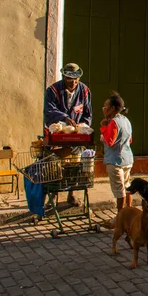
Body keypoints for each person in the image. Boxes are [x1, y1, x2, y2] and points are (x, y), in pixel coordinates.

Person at [44, 62, 92, 206]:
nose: (73, 82)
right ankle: (53, 196)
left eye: (76, 79)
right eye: (70, 79)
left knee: (75, 165)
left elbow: (88, 114)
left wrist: (82, 127)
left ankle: (72, 193)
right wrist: (64, 119)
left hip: (76, 137)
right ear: (64, 77)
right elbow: (49, 110)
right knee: (55, 166)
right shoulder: (52, 91)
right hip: (58, 134)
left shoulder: (84, 91)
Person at [100, 92, 133, 215]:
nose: (104, 109)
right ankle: (129, 211)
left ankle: (121, 216)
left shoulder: (113, 122)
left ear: (112, 108)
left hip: (115, 161)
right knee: (127, 186)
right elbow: (130, 139)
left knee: (119, 191)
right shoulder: (126, 120)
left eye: (105, 106)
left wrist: (103, 127)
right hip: (127, 158)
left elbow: (109, 141)